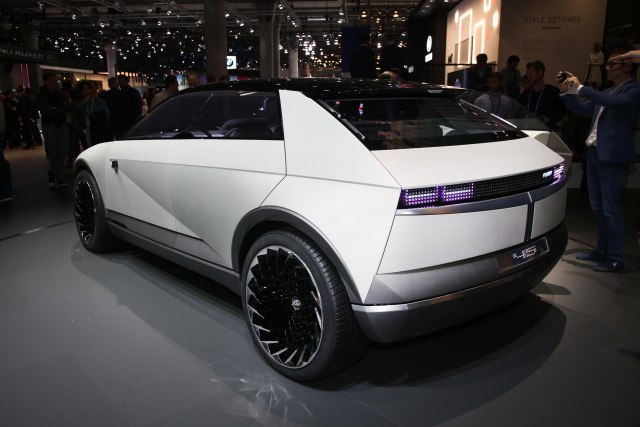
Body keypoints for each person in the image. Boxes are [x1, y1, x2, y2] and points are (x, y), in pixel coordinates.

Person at [557, 49, 640, 272]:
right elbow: (583, 109)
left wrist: (582, 88)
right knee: (597, 206)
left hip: (613, 157)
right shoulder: (607, 91)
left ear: (627, 67)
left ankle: (615, 257)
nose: (607, 68)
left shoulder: (634, 90)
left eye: (612, 64)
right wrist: (568, 92)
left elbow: (613, 102)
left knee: (611, 208)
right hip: (594, 154)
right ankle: (602, 251)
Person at [37, 72, 69, 188]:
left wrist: (56, 109)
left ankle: (53, 172)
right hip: (49, 125)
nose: (55, 83)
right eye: (52, 81)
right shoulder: (41, 95)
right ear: (45, 82)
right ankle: (59, 176)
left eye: (56, 81)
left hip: (62, 124)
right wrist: (58, 109)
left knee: (64, 150)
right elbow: (46, 111)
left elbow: (65, 107)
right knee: (53, 152)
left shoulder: (59, 94)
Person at [518, 60, 566, 130]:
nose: (529, 77)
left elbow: (562, 112)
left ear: (540, 73)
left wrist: (548, 119)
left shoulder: (553, 92)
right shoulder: (525, 95)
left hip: (546, 132)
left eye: (531, 74)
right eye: (528, 74)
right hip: (527, 132)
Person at [78, 81, 110, 147]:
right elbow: (79, 107)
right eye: (84, 89)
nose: (87, 91)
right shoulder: (80, 102)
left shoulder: (99, 100)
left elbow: (107, 113)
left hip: (99, 129)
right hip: (87, 128)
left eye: (88, 88)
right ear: (81, 91)